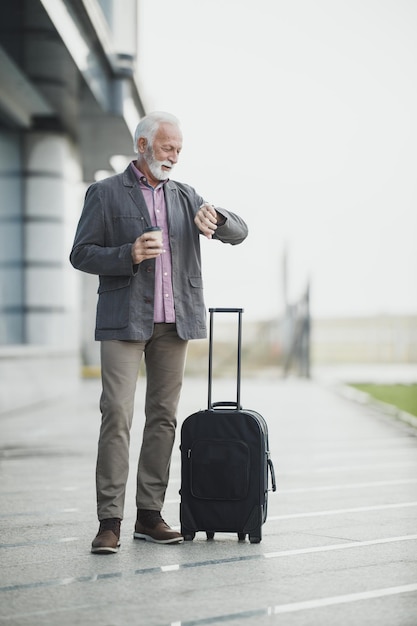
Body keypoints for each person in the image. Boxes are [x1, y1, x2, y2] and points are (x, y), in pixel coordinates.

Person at [70, 111, 248, 554]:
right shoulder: (106, 193)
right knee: (117, 415)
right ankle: (109, 520)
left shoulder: (187, 197)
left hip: (176, 321)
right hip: (124, 320)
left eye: (180, 150)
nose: (175, 156)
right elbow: (81, 254)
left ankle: (149, 515)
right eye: (168, 147)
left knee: (164, 418)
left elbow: (239, 232)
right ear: (143, 146)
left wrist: (220, 219)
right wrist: (127, 253)